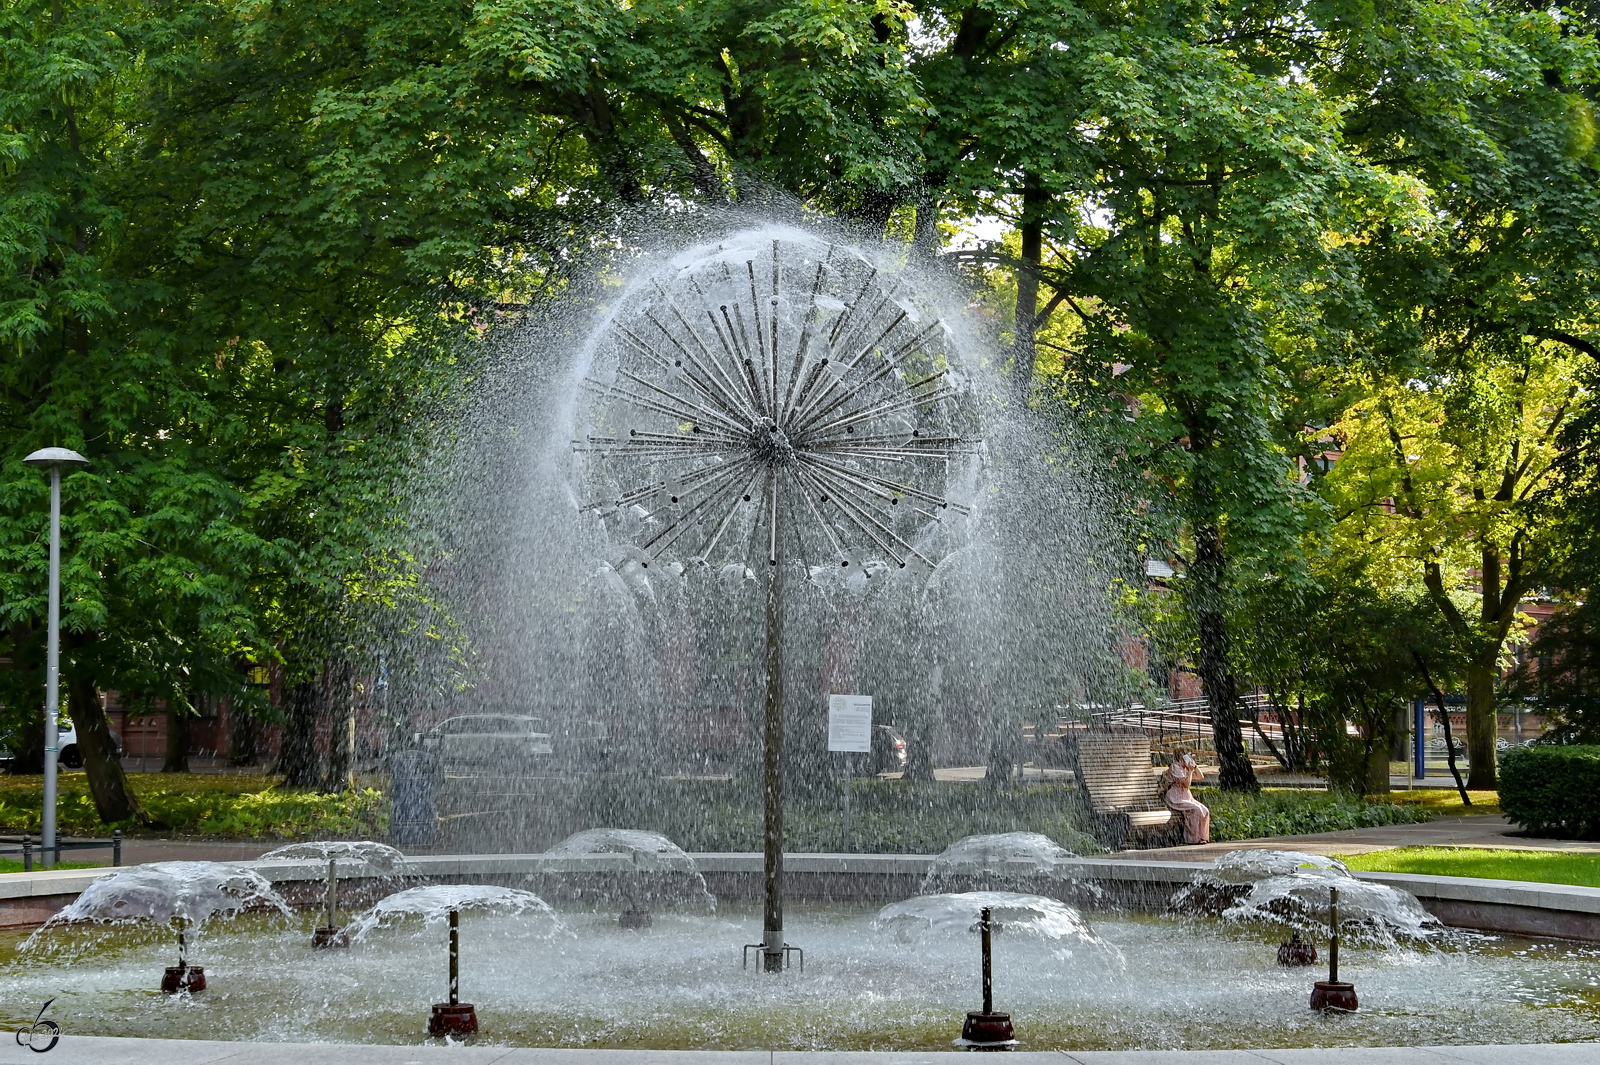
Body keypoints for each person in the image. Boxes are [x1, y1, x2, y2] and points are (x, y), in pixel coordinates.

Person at [1160, 748, 1211, 844]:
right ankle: (1192, 839)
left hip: (1186, 796)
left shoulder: (1186, 767)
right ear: (1182, 758)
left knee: (1205, 810)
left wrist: (1194, 766)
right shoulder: (1175, 767)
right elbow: (1186, 784)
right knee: (1195, 810)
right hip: (1175, 797)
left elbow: (1201, 777)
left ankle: (1202, 837)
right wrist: (1190, 771)